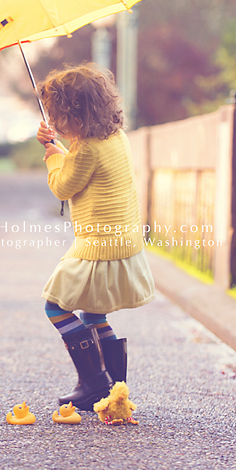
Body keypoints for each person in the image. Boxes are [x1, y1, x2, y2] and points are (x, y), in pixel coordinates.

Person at [35, 62, 156, 411]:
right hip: (123, 243)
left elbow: (63, 186)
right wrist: (59, 149)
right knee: (93, 312)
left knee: (54, 305)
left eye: (58, 116)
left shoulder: (85, 149)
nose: (55, 123)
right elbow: (78, 169)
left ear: (75, 114)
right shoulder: (115, 138)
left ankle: (94, 383)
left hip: (98, 246)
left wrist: (50, 155)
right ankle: (114, 391)